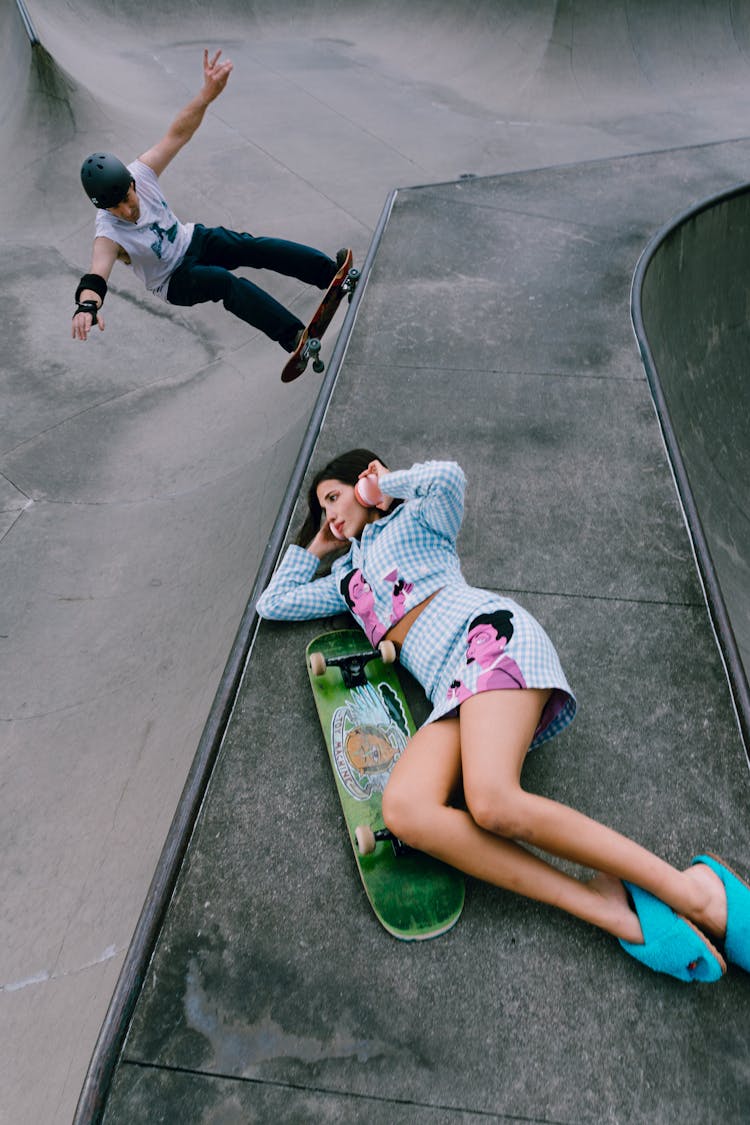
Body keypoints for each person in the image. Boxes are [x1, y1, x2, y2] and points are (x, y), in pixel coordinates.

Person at [257, 449, 750, 982]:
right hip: (450, 687)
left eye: (333, 497)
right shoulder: (345, 583)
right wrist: (320, 545)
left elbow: (449, 479)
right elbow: (273, 603)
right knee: (406, 811)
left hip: (489, 639)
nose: (329, 513)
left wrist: (386, 487)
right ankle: (604, 905)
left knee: (490, 801)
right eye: (321, 508)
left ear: (365, 476)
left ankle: (695, 892)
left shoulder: (416, 519)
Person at [71, 49, 348, 355]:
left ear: (132, 183)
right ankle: (293, 336)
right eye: (115, 209)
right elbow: (96, 275)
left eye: (127, 199)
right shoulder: (108, 233)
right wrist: (86, 306)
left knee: (252, 247)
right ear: (103, 209)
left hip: (194, 239)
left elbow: (179, 133)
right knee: (225, 283)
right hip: (174, 280)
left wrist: (206, 94)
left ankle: (328, 274)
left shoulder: (142, 172)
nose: (127, 211)